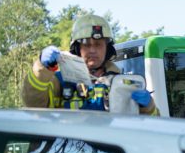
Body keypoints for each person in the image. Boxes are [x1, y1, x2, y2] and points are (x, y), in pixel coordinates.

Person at [21, 14, 158, 115]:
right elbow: (32, 104)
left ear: (107, 49)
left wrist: (148, 108)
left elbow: (152, 129)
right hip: (68, 152)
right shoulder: (59, 80)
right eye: (86, 45)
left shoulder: (123, 84)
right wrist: (41, 69)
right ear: (77, 49)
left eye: (98, 45)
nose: (92, 50)